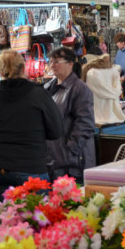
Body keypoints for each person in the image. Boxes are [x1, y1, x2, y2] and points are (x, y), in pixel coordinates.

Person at [0, 50, 63, 196]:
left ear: (1, 72)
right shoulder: (39, 95)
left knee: (3, 216)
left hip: (0, 169)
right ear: (23, 69)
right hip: (32, 169)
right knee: (36, 216)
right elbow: (56, 131)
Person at [44, 47, 97, 182]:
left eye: (57, 61)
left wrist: (69, 152)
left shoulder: (80, 89)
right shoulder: (48, 88)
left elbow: (85, 123)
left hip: (73, 164)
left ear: (70, 64)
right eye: (51, 61)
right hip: (54, 161)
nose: (52, 65)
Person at [81, 54, 125, 125]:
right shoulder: (114, 71)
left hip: (96, 114)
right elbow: (118, 89)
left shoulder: (91, 73)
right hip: (114, 114)